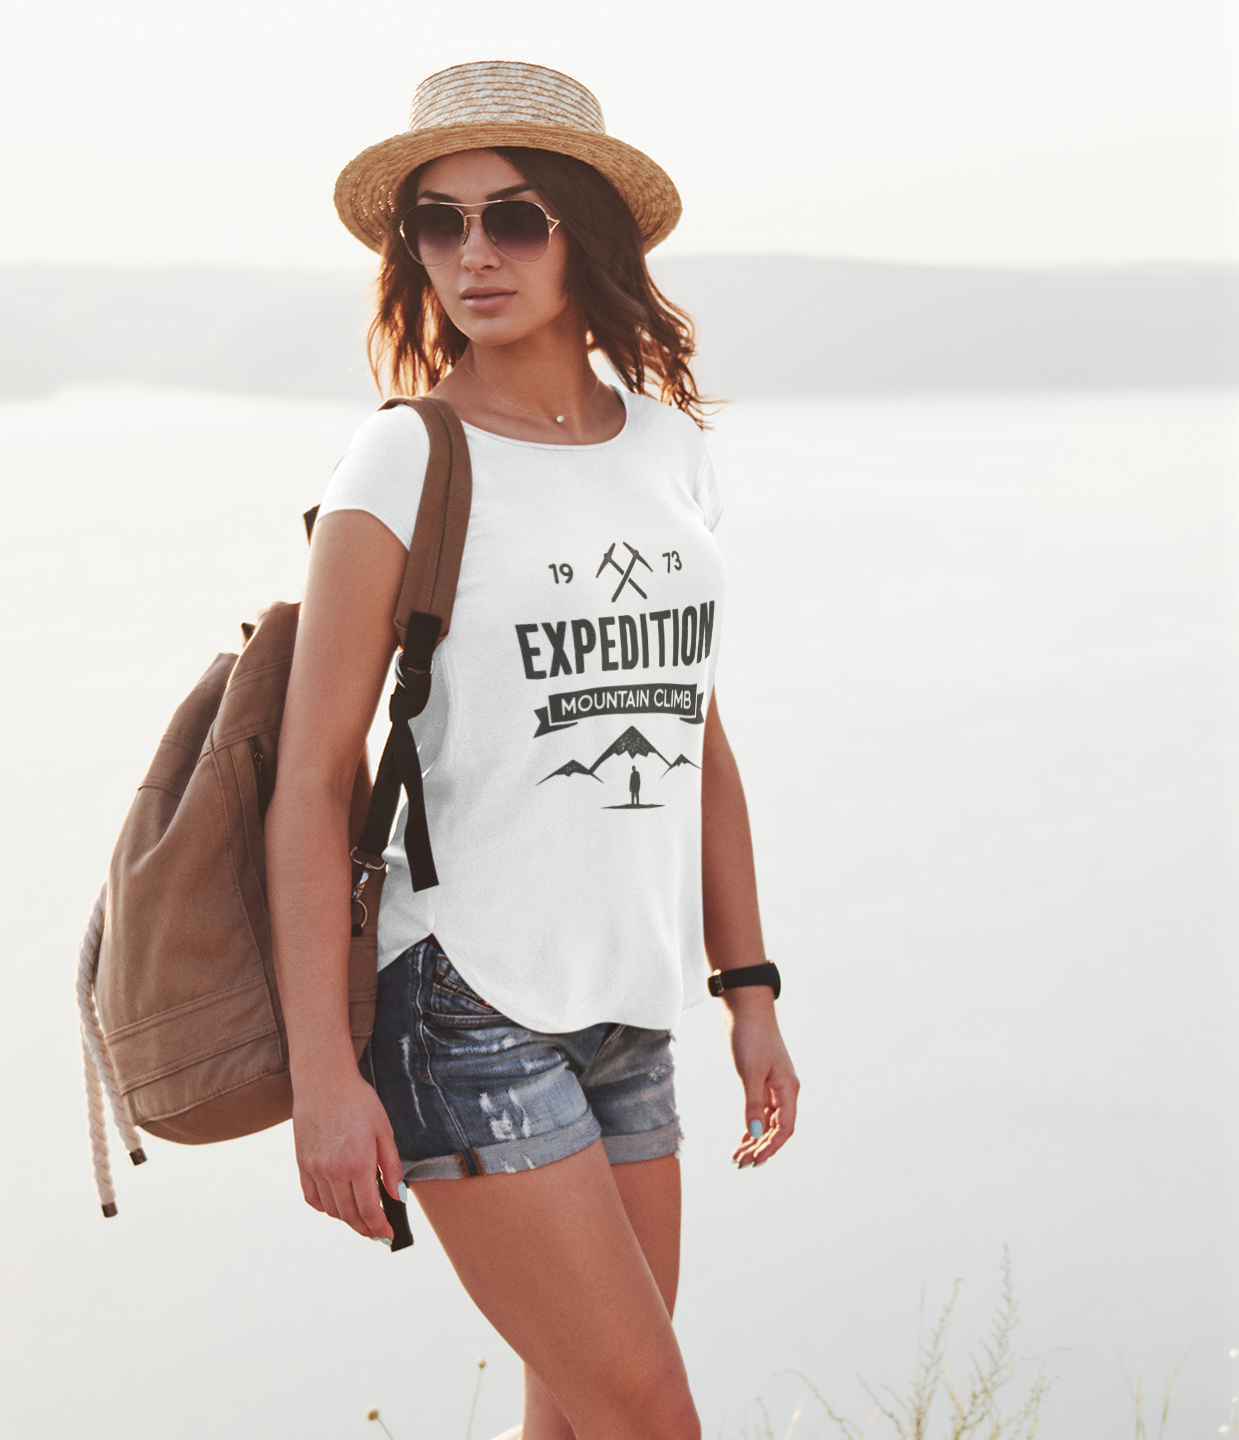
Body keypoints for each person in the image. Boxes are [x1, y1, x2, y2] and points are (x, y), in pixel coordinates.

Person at [266, 61, 799, 1440]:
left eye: (511, 217)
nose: (473, 254)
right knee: (651, 1417)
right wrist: (328, 1079)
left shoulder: (671, 453)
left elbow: (698, 737)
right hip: (463, 1003)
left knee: (576, 1418)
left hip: (629, 1006)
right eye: (439, 225)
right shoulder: (404, 460)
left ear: (585, 231)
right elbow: (313, 784)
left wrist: (748, 987)